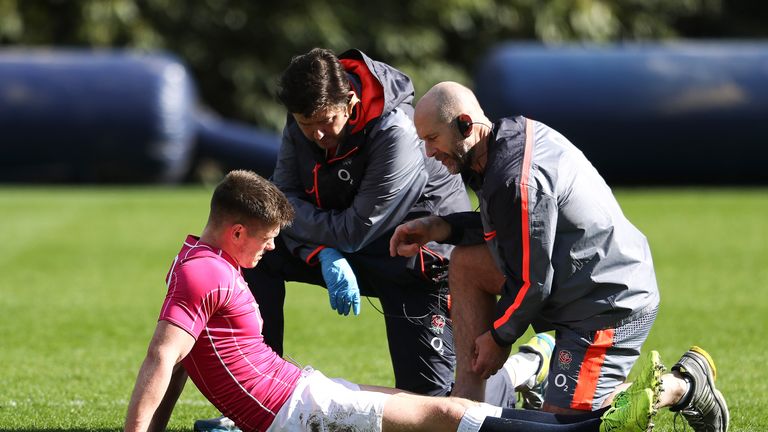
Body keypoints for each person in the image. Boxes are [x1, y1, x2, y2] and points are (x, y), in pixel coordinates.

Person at [123, 169, 659, 432]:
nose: (271, 250)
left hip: (301, 394)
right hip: (295, 413)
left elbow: (180, 360)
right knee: (445, 414)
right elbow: (163, 359)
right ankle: (591, 426)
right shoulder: (205, 274)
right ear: (236, 232)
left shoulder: (195, 260)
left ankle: (558, 401)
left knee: (443, 408)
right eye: (265, 240)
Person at [389, 82, 729, 431]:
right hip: (575, 284)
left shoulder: (515, 178)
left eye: (432, 139)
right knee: (467, 263)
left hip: (608, 305)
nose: (429, 153)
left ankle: (682, 386)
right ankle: (468, 402)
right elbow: (513, 230)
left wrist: (498, 337)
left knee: (565, 427)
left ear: (465, 124)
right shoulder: (501, 143)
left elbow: (534, 281)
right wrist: (439, 227)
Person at [243, 47, 471, 397]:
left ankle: (525, 367)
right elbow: (279, 203)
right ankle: (258, 391)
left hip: (416, 262)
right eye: (306, 124)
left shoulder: (397, 132)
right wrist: (317, 251)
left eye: (325, 122)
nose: (317, 135)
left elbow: (354, 230)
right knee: (251, 246)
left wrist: (320, 241)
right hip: (345, 246)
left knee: (427, 405)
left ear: (350, 103)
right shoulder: (301, 119)